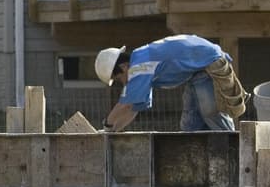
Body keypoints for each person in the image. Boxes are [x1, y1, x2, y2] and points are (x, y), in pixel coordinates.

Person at [97, 34, 246, 132]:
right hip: (196, 70)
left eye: (118, 79)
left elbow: (126, 104)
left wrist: (107, 125)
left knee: (211, 113)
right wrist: (113, 131)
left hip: (207, 64)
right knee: (190, 124)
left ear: (124, 67)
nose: (123, 83)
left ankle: (233, 149)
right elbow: (134, 108)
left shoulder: (140, 66)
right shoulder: (142, 61)